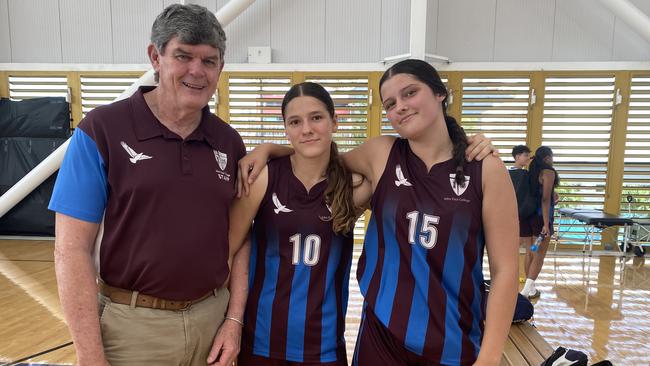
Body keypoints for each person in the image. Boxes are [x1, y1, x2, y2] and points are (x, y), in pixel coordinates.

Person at [239, 60, 517, 366]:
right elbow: (318, 158)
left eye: (410, 93)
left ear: (440, 93)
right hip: (381, 338)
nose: (401, 106)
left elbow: (505, 272)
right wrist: (268, 149)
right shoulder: (383, 154)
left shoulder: (486, 169)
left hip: (454, 343)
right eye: (390, 103)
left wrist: (490, 357)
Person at [49, 4, 248, 365]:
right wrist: (90, 355)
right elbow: (70, 251)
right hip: (132, 329)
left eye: (209, 61)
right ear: (155, 57)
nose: (196, 71)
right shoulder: (101, 130)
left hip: (212, 323)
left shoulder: (229, 142)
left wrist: (233, 321)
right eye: (183, 56)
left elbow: (242, 239)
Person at [228, 82, 372, 366]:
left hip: (324, 346)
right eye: (295, 122)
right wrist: (229, 321)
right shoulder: (264, 178)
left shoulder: (354, 185)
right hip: (260, 341)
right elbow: (228, 251)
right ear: (286, 129)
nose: (306, 129)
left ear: (334, 122)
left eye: (316, 117)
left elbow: (409, 167)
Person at [519, 146, 559, 299]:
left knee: (530, 252)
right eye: (552, 157)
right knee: (540, 254)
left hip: (526, 216)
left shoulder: (531, 173)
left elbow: (537, 193)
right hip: (540, 217)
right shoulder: (548, 172)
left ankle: (531, 290)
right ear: (547, 158)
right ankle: (525, 291)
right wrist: (546, 223)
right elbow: (545, 199)